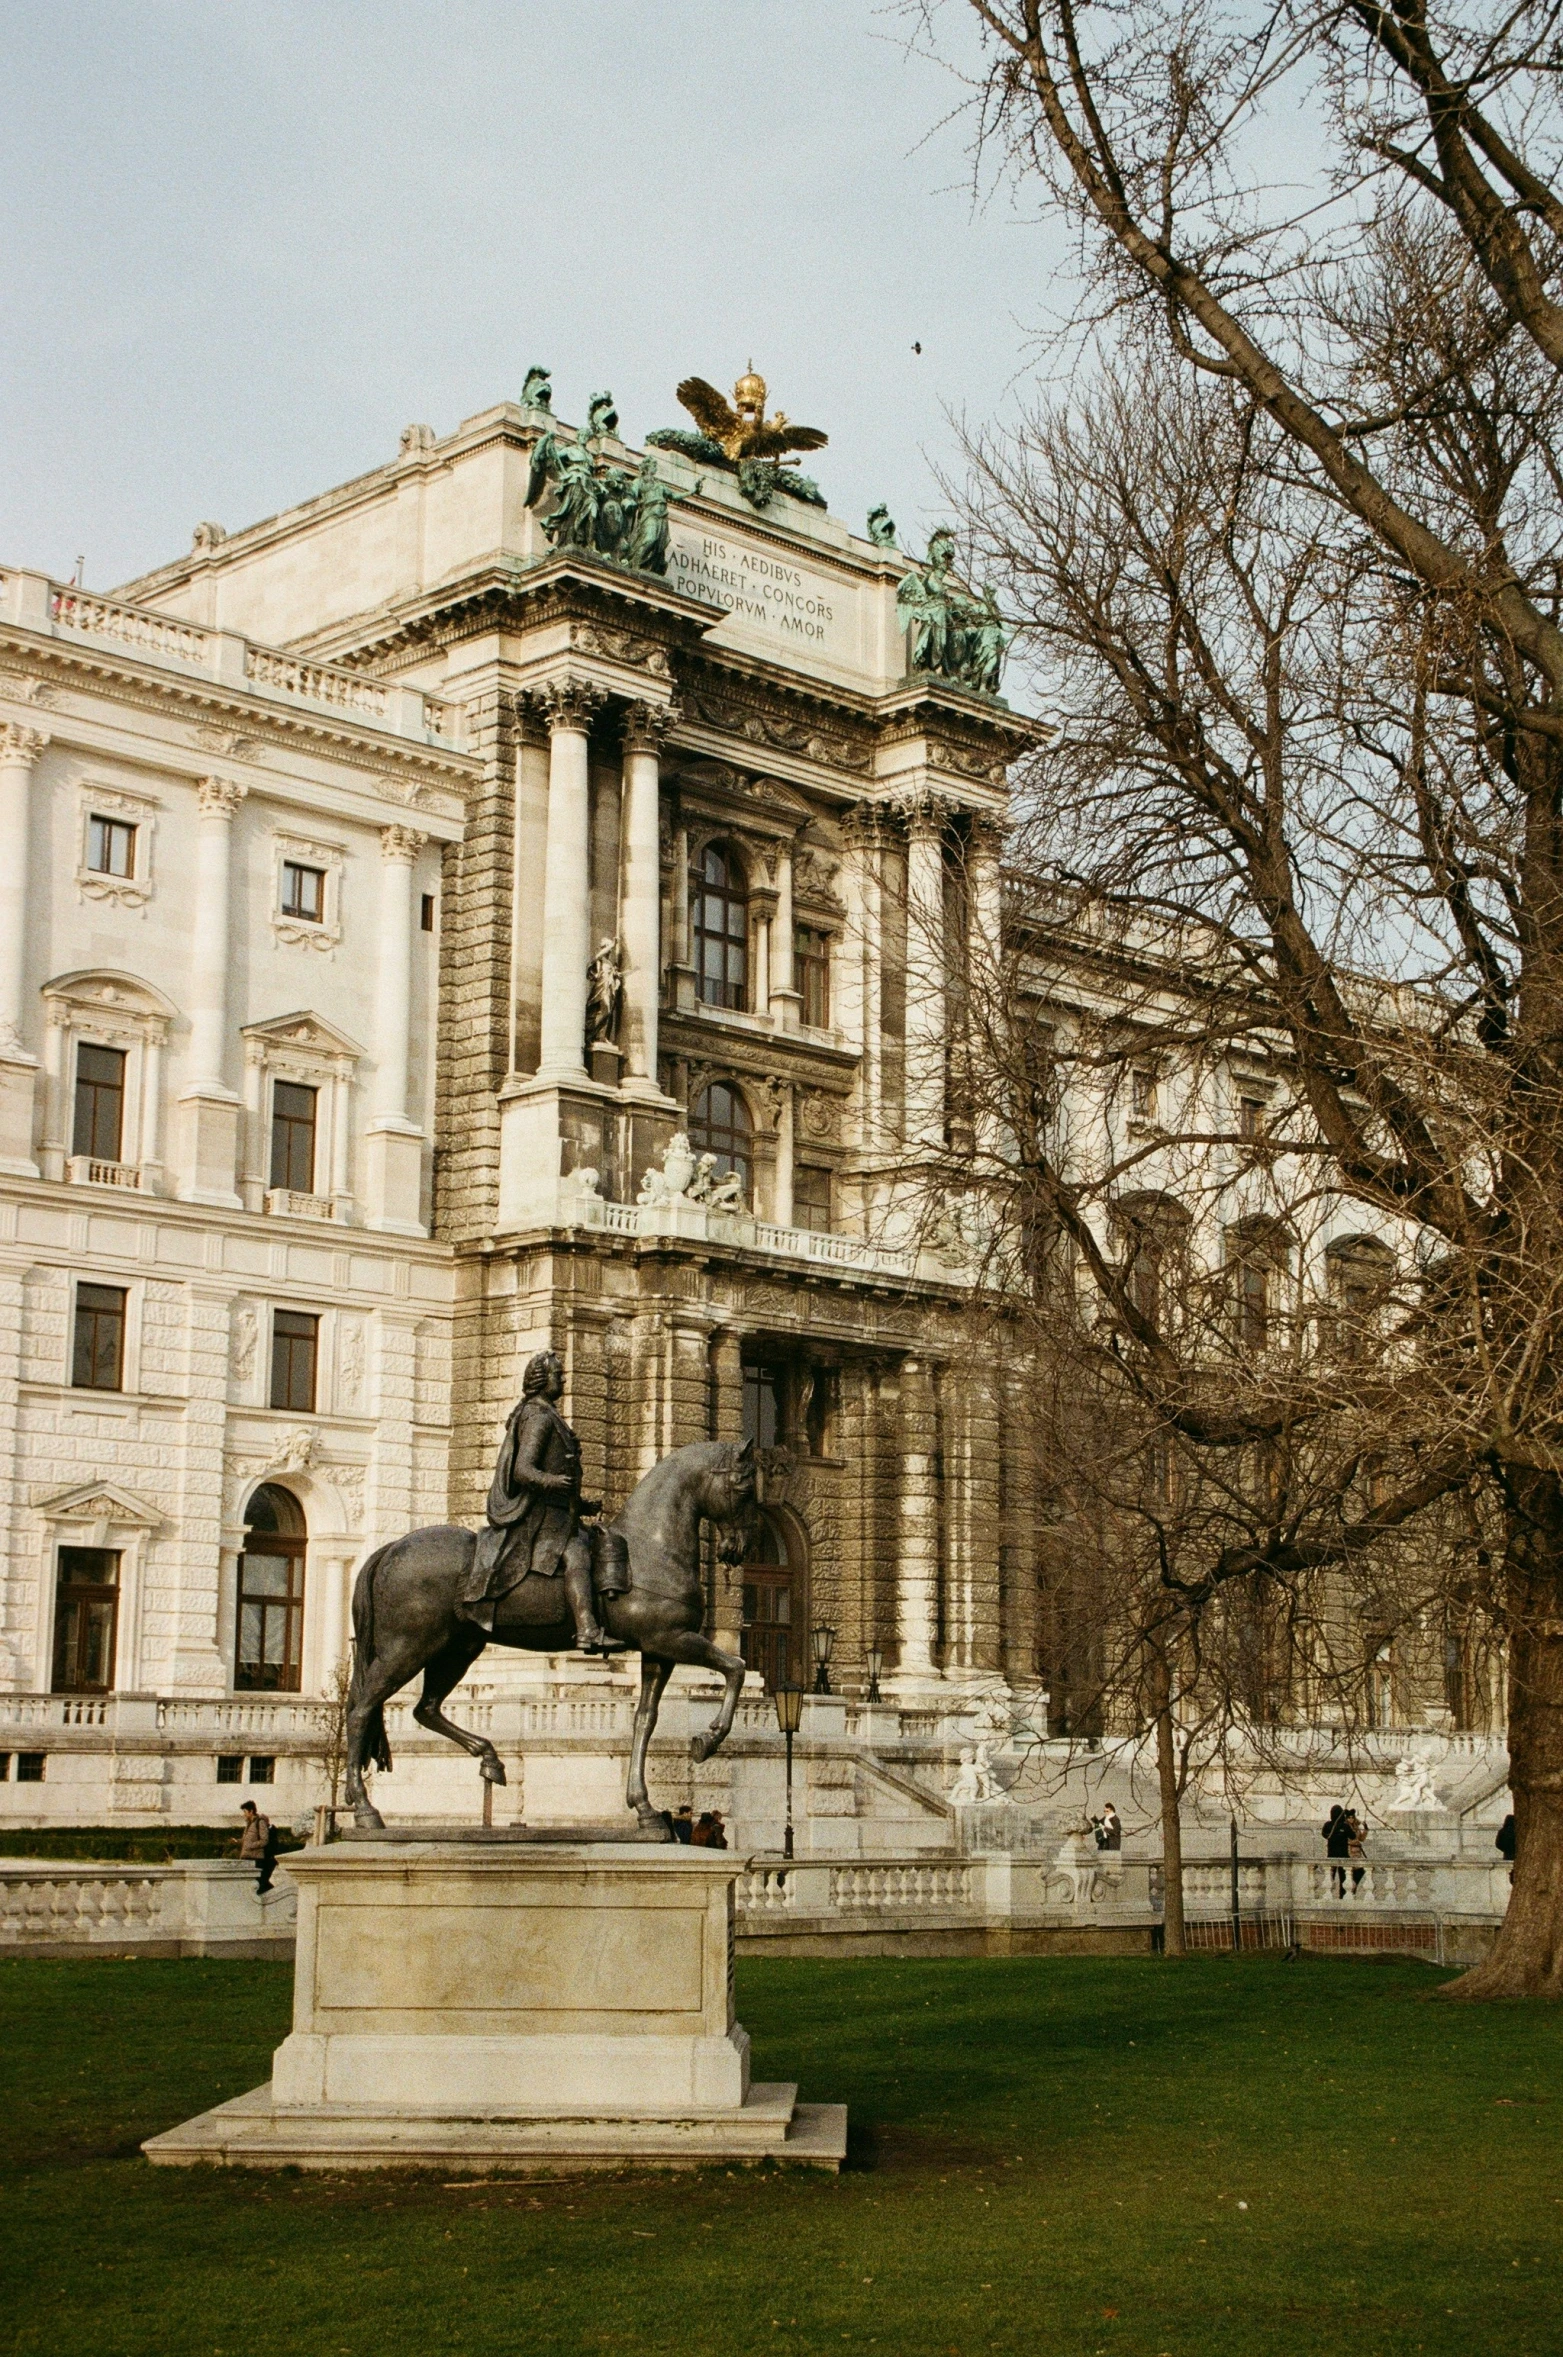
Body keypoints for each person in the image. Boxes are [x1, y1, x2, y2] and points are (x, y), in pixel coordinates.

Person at [456, 1350, 624, 1654]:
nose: (562, 1378)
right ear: (540, 1379)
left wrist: (582, 1504)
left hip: (558, 1513)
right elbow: (523, 1470)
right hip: (540, 1518)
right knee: (577, 1555)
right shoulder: (538, 1416)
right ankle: (587, 1630)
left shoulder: (547, 1413)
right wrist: (554, 1481)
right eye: (557, 1374)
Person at [238, 1800, 276, 1896]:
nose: (244, 1814)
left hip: (256, 1858)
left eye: (245, 1812)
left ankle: (274, 1896)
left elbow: (264, 1840)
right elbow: (247, 1840)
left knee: (259, 1883)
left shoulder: (260, 1822)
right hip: (247, 1857)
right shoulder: (249, 1824)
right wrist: (238, 1841)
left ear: (251, 1811)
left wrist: (251, 1846)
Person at [1323, 1803, 1351, 1897]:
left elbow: (1324, 1834)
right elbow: (1353, 1836)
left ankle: (1328, 1896)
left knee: (1330, 1876)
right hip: (1343, 1855)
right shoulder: (1345, 1826)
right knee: (1343, 1878)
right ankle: (1342, 1896)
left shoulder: (1328, 1825)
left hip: (1331, 1854)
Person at [1497, 1811, 1517, 1884]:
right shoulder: (1517, 1831)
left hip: (1507, 1855)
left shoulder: (1502, 1831)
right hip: (1516, 1855)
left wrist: (1505, 1849)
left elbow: (1498, 1844)